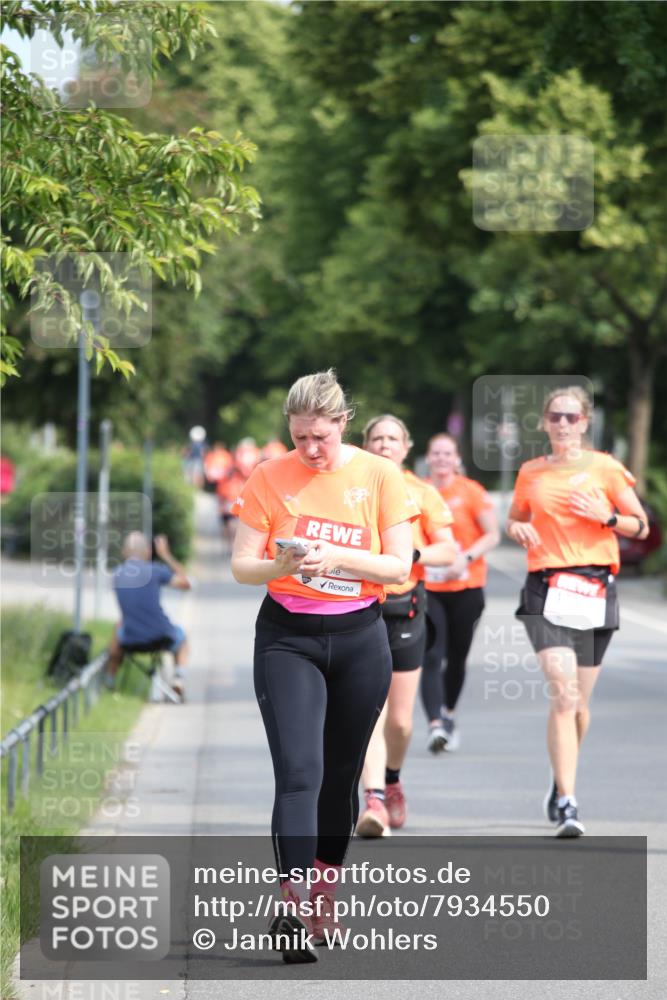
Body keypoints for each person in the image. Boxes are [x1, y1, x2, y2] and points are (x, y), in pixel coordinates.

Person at [230, 370, 415, 963]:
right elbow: (241, 566)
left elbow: (398, 567)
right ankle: (291, 901)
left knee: (340, 777)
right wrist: (279, 561)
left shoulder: (379, 476)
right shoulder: (268, 476)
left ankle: (324, 892)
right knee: (299, 772)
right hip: (289, 638)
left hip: (361, 637)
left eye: (321, 437)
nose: (310, 449)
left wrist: (334, 554)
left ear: (342, 424)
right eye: (299, 435)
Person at [507, 386, 648, 838]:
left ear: (585, 422)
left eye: (571, 417)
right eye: (555, 416)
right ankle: (568, 801)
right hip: (545, 588)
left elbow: (641, 525)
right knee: (564, 695)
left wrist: (606, 516)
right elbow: (515, 518)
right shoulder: (531, 471)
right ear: (545, 422)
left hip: (592, 588)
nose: (563, 424)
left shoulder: (605, 468)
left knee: (580, 707)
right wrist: (518, 529)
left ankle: (559, 774)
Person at [356, 415, 456, 838]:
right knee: (369, 713)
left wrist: (410, 555)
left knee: (400, 722)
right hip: (359, 607)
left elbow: (448, 548)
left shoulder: (421, 491)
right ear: (365, 443)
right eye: (376, 437)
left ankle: (392, 779)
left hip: (406, 607)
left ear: (405, 445)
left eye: (392, 438)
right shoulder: (351, 487)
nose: (384, 444)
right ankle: (373, 799)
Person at [420, 433, 500, 752]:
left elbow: (493, 534)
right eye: (436, 453)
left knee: (457, 657)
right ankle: (435, 725)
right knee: (431, 655)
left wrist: (464, 558)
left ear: (456, 459)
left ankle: (449, 712)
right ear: (428, 457)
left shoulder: (471, 492)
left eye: (447, 453)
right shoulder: (420, 492)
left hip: (467, 588)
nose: (441, 459)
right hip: (430, 588)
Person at [106, 532, 191, 700]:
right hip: (162, 635)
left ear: (124, 552)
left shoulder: (116, 575)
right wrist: (166, 556)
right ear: (148, 552)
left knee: (118, 628)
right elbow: (186, 583)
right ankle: (179, 679)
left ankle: (109, 682)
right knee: (182, 639)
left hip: (130, 639)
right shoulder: (156, 570)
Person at [216, 438, 261, 547]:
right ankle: (231, 544)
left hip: (243, 500)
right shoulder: (230, 472)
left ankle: (236, 545)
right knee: (230, 523)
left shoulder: (255, 462)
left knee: (238, 524)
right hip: (231, 498)